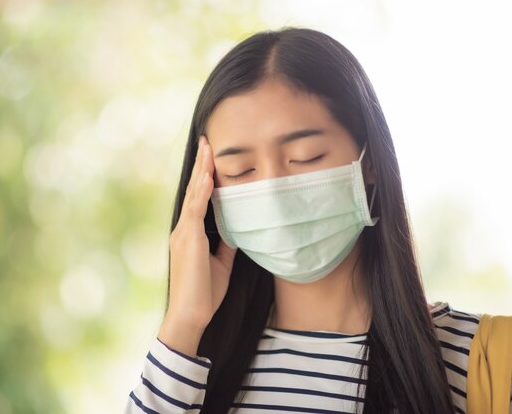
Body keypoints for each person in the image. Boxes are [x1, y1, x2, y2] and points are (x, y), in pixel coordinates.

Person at [124, 27, 511, 414]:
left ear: (370, 160)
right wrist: (183, 324)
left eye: (306, 157)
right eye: (241, 170)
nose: (274, 193)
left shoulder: (490, 362)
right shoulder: (190, 369)